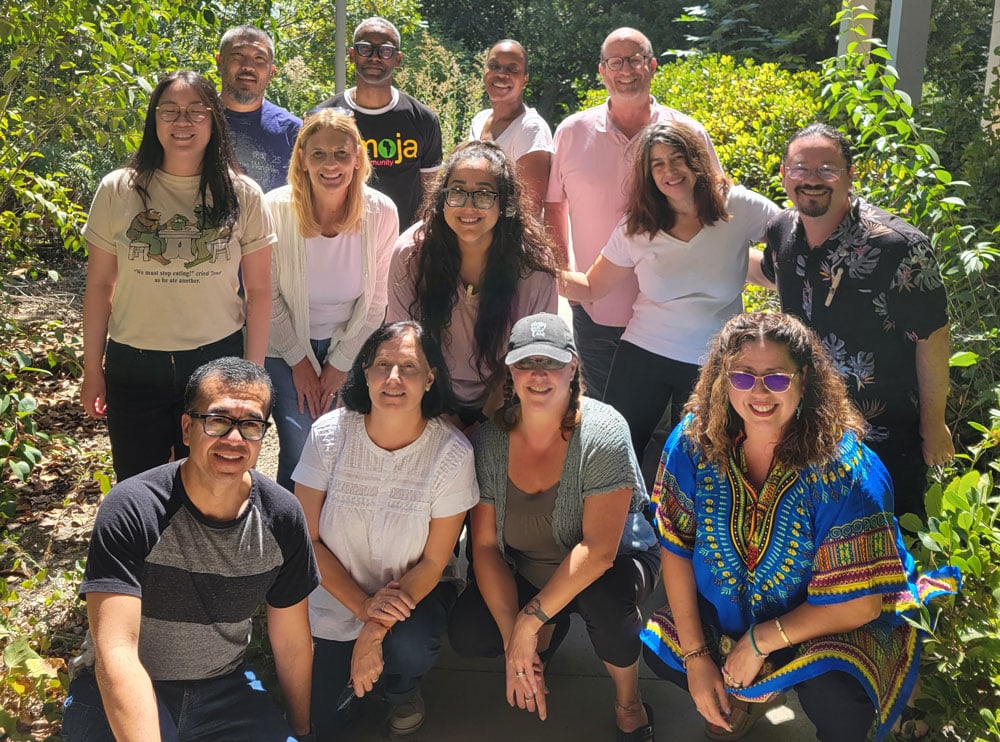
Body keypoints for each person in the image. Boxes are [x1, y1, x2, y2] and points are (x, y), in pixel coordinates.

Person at [640, 312, 960, 741]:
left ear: (803, 378)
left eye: (775, 379)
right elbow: (676, 545)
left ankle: (792, 686)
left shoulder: (843, 473)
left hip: (831, 621)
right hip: (732, 617)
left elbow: (859, 606)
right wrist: (698, 657)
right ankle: (750, 691)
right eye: (742, 377)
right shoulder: (695, 442)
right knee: (664, 649)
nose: (758, 393)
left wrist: (759, 642)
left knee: (839, 699)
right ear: (721, 377)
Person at [62, 357, 319, 741]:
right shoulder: (134, 507)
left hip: (224, 688)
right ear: (187, 428)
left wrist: (301, 729)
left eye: (250, 425)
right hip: (121, 686)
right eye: (217, 421)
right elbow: (116, 653)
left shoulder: (281, 516)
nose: (234, 439)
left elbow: (291, 641)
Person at [448, 313, 660, 741]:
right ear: (511, 370)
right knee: (469, 632)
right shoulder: (490, 441)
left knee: (604, 602)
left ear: (573, 366)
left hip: (612, 561)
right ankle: (547, 629)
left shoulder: (604, 431)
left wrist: (530, 620)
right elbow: (485, 547)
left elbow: (599, 550)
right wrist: (514, 643)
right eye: (527, 363)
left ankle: (628, 699)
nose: (539, 375)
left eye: (551, 362)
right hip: (530, 564)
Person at [748, 123, 953, 520]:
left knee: (890, 545)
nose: (812, 180)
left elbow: (933, 337)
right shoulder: (782, 230)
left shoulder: (898, 246)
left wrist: (934, 424)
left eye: (827, 169)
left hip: (884, 434)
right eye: (800, 168)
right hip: (804, 423)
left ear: (849, 174)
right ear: (783, 174)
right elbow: (771, 274)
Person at [81, 70, 275, 482]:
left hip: (215, 360)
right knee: (138, 482)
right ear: (154, 120)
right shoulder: (118, 189)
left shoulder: (243, 193)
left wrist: (253, 376)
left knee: (212, 478)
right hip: (133, 362)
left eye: (195, 111)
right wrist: (92, 369)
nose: (182, 122)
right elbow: (99, 285)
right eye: (169, 111)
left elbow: (259, 291)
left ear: (214, 120)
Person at [560, 121, 779, 475]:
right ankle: (619, 524)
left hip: (713, 360)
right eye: (657, 164)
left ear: (697, 161)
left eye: (677, 159)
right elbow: (590, 287)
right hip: (644, 351)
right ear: (648, 175)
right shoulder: (637, 226)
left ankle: (685, 529)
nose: (669, 171)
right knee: (613, 449)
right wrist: (535, 267)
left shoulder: (736, 205)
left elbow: (794, 236)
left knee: (705, 462)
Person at [292, 321, 478, 737]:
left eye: (409, 367)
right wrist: (362, 607)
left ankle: (401, 688)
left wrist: (373, 630)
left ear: (430, 379)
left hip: (415, 597)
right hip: (336, 596)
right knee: (321, 723)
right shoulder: (329, 435)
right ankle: (355, 673)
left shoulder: (452, 454)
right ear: (366, 373)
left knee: (407, 646)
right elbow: (308, 540)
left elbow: (434, 561)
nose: (394, 378)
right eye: (382, 365)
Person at [544, 27, 720, 399]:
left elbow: (718, 207)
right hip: (600, 312)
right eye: (616, 62)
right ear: (602, 71)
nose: (626, 70)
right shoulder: (572, 132)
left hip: (679, 316)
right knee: (608, 421)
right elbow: (553, 204)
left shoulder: (687, 133)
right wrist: (569, 280)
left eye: (635, 59)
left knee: (684, 430)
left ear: (653, 66)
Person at [265, 109, 398, 492]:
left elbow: (376, 302)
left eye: (341, 154)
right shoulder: (275, 209)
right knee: (300, 447)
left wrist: (340, 365)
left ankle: (336, 540)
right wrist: (300, 362)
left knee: (344, 446)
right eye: (319, 154)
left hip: (352, 344)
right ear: (302, 159)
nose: (331, 164)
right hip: (286, 346)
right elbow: (266, 294)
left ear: (358, 157)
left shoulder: (380, 211)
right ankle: (293, 539)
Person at [387, 141, 558, 434]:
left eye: (483, 194)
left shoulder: (533, 264)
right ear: (442, 199)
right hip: (426, 395)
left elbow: (532, 354)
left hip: (506, 398)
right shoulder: (410, 254)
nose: (468, 206)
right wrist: (442, 419)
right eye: (457, 192)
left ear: (504, 203)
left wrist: (483, 421)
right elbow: (406, 347)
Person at [310, 17, 442, 228]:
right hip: (341, 238)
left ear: (398, 59)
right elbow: (307, 184)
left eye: (385, 50)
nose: (375, 57)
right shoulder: (323, 118)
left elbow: (431, 194)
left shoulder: (423, 119)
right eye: (365, 49)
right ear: (352, 55)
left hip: (402, 244)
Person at [469, 39, 553, 216]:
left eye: (512, 69)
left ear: (524, 80)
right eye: (494, 65)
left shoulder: (530, 128)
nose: (501, 74)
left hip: (509, 239)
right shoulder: (479, 120)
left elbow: (529, 209)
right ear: (485, 72)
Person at [217, 25, 302, 193]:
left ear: (271, 72)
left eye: (259, 59)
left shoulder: (292, 131)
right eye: (238, 55)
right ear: (219, 62)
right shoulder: (196, 120)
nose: (248, 66)